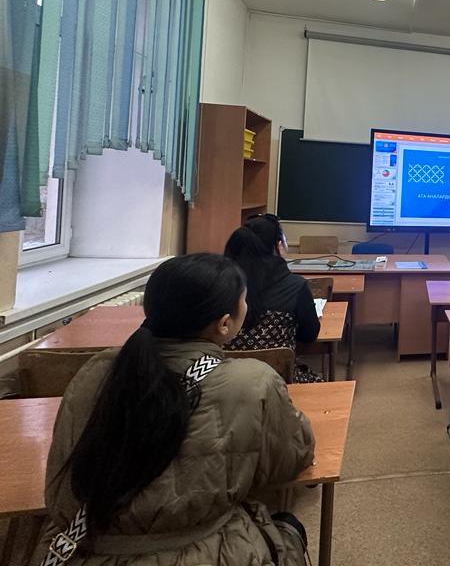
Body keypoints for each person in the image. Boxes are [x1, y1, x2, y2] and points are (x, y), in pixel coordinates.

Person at [41, 253, 316, 565]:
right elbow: (290, 459)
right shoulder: (252, 381)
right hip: (204, 551)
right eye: (244, 301)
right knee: (286, 525)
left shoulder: (96, 370)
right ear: (225, 324)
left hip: (80, 548)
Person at [223, 213, 321, 366]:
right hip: (278, 375)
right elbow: (309, 335)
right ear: (278, 245)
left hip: (221, 374)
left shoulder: (219, 284)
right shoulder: (296, 286)